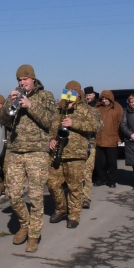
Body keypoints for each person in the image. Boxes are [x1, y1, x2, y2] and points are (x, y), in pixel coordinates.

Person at [0, 64, 56, 253]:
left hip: (37, 152)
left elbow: (48, 121)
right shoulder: (13, 96)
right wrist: (8, 105)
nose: (22, 83)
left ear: (33, 79)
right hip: (15, 152)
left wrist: (30, 106)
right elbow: (2, 121)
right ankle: (25, 224)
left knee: (36, 196)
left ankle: (34, 235)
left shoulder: (46, 96)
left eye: (25, 79)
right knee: (13, 195)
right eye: (19, 80)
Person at [47, 81, 97, 228]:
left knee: (74, 186)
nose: (69, 93)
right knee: (52, 183)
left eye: (72, 91)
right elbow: (53, 126)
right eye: (67, 90)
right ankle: (61, 208)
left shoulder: (86, 109)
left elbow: (94, 126)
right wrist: (51, 139)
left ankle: (74, 215)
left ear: (77, 92)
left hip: (76, 154)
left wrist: (73, 123)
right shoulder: (59, 108)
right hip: (58, 152)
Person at [95, 90, 123, 188]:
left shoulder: (117, 108)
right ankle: (101, 178)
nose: (104, 100)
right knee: (99, 162)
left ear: (110, 99)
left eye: (106, 99)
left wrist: (120, 137)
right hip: (99, 139)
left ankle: (111, 180)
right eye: (103, 98)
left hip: (112, 139)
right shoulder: (97, 108)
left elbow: (121, 123)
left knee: (111, 162)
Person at [81, 86, 103, 207]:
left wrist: (84, 125)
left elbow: (99, 126)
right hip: (72, 148)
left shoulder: (93, 110)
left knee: (87, 173)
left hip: (89, 145)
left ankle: (86, 198)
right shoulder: (68, 110)